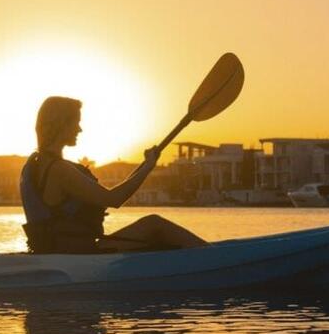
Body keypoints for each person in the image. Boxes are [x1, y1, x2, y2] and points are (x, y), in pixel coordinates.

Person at [19, 96, 207, 253]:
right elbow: (114, 198)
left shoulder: (38, 164)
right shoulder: (60, 170)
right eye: (75, 122)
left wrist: (143, 167)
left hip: (65, 253)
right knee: (153, 224)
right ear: (60, 125)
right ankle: (212, 257)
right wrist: (148, 167)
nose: (79, 129)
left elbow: (109, 194)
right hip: (80, 257)